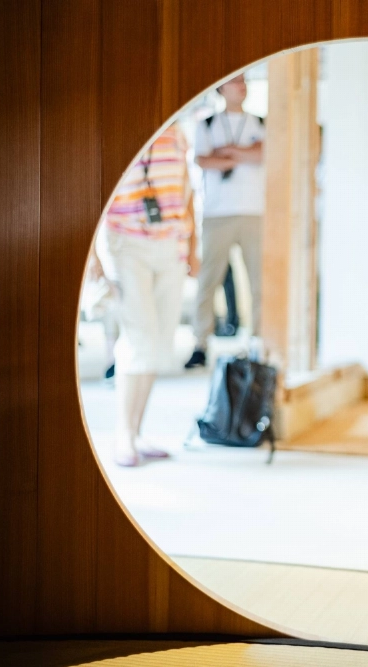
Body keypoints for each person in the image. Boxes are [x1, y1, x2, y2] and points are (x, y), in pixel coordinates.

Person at [89, 123, 199, 467]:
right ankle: (123, 435)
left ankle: (136, 432)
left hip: (172, 246)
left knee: (158, 342)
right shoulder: (117, 131)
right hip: (128, 244)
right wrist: (92, 256)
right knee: (138, 337)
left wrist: (193, 247)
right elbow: (95, 191)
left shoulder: (177, 133)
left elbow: (187, 191)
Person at [185, 73, 266, 369]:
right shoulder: (207, 124)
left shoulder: (261, 122)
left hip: (254, 212)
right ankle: (200, 343)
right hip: (216, 214)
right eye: (235, 81)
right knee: (209, 280)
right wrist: (245, 154)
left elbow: (263, 155)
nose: (242, 86)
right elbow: (203, 160)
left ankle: (258, 341)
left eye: (244, 81)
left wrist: (228, 152)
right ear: (221, 88)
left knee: (259, 280)